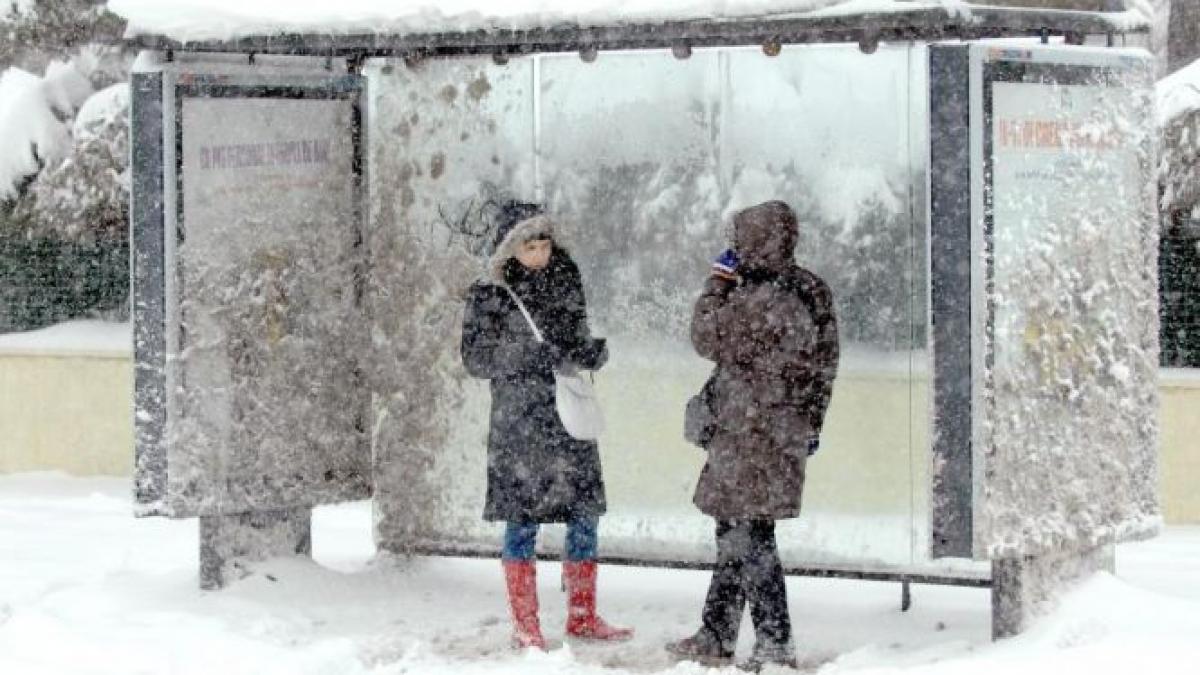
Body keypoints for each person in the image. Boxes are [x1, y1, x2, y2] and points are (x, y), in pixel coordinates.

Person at [666, 200, 840, 670]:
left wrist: (716, 284)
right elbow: (826, 365)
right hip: (779, 430)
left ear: (755, 242)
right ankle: (717, 632)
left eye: (740, 240)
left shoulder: (759, 296)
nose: (736, 248)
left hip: (750, 432)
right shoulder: (809, 290)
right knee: (739, 529)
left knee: (748, 535)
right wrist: (810, 421)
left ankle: (773, 640)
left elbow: (706, 335)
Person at [460, 200, 632, 650]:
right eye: (528, 246)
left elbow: (575, 337)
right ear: (507, 249)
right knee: (521, 521)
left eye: (543, 244)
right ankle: (526, 625)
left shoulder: (565, 276)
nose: (538, 254)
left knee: (584, 515)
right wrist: (530, 356)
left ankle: (582, 615)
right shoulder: (489, 295)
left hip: (565, 417)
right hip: (520, 422)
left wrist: (591, 351)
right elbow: (476, 360)